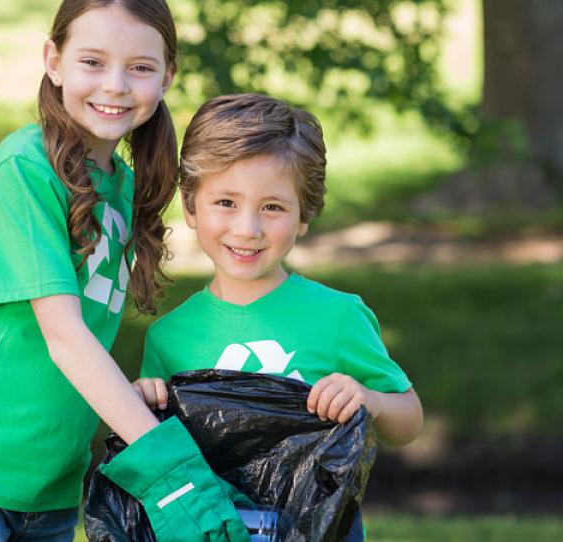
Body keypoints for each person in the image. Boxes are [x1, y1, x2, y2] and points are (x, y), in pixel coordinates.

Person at [0, 2, 249, 541]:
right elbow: (64, 335)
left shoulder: (124, 187)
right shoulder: (24, 171)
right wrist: (169, 470)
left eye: (140, 67)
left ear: (167, 76)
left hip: (54, 477)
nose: (115, 85)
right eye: (92, 61)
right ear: (53, 62)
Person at [134, 93, 425, 541]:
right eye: (225, 203)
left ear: (303, 216)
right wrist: (144, 397)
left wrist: (369, 399)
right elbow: (158, 455)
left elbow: (409, 422)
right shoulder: (169, 336)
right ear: (190, 207)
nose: (247, 229)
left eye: (272, 207)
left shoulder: (338, 317)